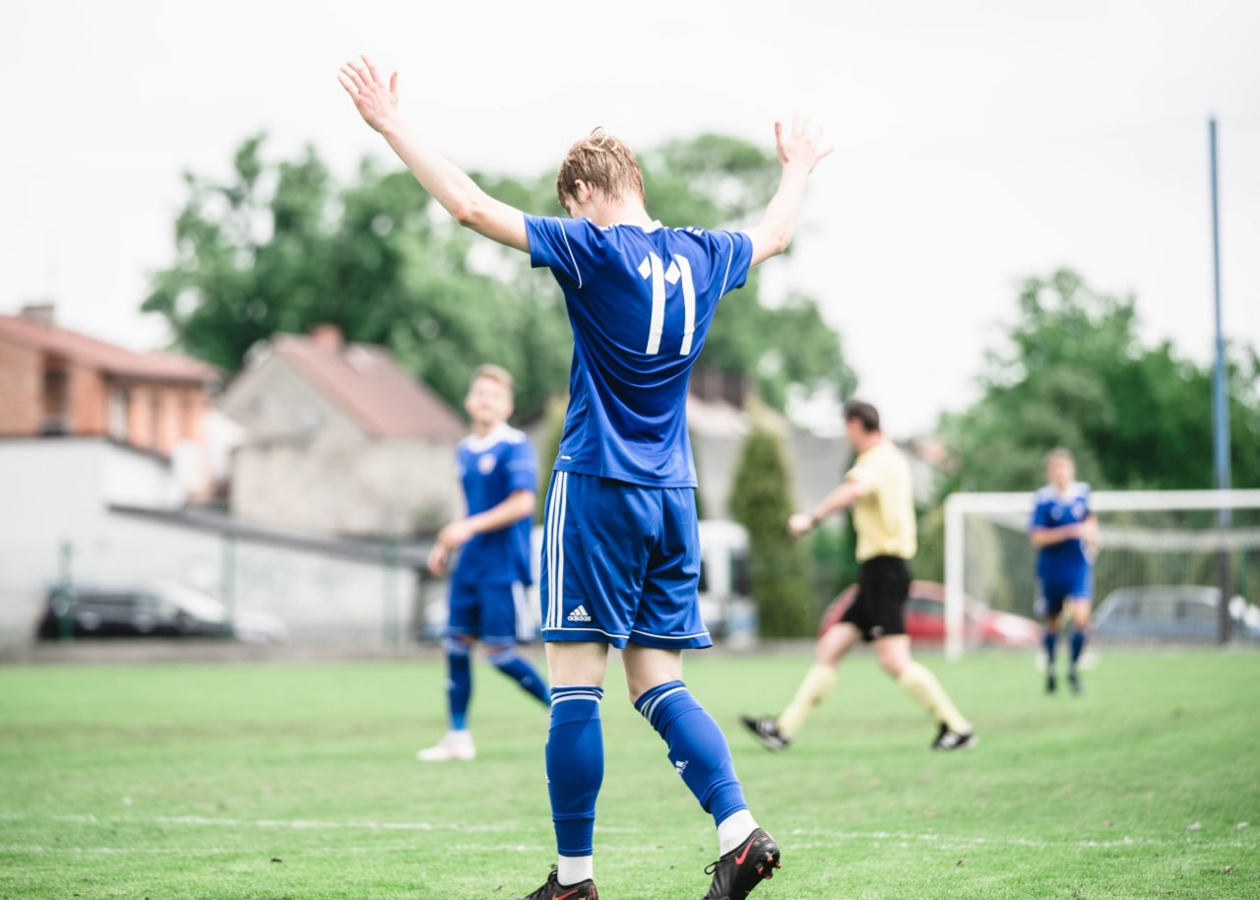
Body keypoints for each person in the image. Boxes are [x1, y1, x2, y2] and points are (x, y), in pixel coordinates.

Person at [339, 55, 831, 900]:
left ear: (583, 193)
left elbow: (470, 206)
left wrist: (390, 124)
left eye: (568, 205)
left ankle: (574, 881)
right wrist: (797, 168)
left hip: (598, 484)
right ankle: (739, 831)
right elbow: (776, 234)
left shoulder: (593, 248)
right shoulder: (705, 253)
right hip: (674, 496)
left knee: (575, 686)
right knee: (659, 682)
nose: (568, 217)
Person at [741, 400, 975, 753]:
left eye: (845, 428)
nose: (845, 436)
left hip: (885, 569)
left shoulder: (875, 460)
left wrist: (810, 520)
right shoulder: (893, 457)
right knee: (830, 647)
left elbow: (855, 490)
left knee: (894, 660)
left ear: (854, 425)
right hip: (877, 571)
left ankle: (957, 727)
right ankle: (782, 730)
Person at [420, 364, 549, 761]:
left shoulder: (515, 446)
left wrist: (467, 527)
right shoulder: (464, 449)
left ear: (508, 405)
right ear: (468, 401)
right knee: (455, 647)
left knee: (499, 654)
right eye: (480, 393)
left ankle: (564, 714)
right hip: (470, 565)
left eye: (494, 395)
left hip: (502, 566)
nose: (486, 401)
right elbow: (471, 508)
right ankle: (458, 737)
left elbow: (522, 503)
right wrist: (446, 543)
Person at [1029, 448, 1096, 695]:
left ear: (1072, 470)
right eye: (1056, 469)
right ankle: (1050, 668)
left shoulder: (1083, 493)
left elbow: (1090, 521)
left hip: (1078, 567)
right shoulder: (1043, 500)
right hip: (1052, 570)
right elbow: (1037, 537)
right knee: (1053, 623)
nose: (1061, 473)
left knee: (1081, 618)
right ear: (1049, 473)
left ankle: (1073, 668)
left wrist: (1092, 538)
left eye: (1065, 468)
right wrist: (1069, 532)